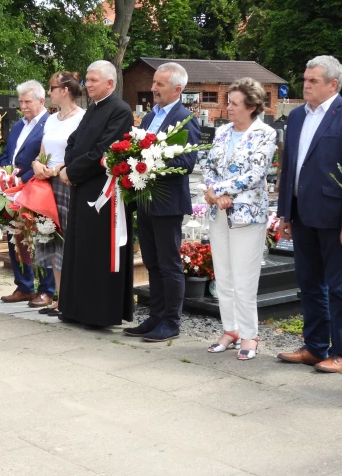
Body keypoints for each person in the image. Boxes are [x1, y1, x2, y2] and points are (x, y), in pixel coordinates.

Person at [276, 55, 342, 373]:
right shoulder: (298, 117)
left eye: (313, 80)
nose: (305, 84)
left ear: (333, 83)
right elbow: (289, 166)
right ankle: (315, 347)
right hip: (303, 215)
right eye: (304, 78)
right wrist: (285, 213)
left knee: (339, 287)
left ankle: (341, 353)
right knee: (309, 283)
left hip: (335, 218)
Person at [122, 62, 199, 342]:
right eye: (154, 82)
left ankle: (170, 321)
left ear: (177, 89)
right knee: (152, 262)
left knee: (168, 264)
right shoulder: (148, 117)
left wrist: (152, 160)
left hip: (167, 202)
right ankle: (155, 316)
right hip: (145, 199)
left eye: (159, 84)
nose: (153, 88)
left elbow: (186, 161)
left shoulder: (186, 119)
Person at [202, 78, 276, 359]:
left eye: (234, 103)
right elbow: (208, 165)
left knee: (245, 278)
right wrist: (211, 192)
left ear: (252, 106)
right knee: (223, 275)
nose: (228, 107)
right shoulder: (221, 132)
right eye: (228, 102)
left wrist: (219, 191)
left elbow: (256, 174)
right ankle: (230, 329)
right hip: (218, 211)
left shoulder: (265, 134)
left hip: (247, 214)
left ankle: (249, 335)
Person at [58, 60, 135, 327]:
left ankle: (97, 313)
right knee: (80, 249)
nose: (87, 84)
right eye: (87, 80)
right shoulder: (93, 108)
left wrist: (72, 171)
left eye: (93, 80)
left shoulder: (120, 111)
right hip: (82, 185)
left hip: (102, 192)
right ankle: (75, 307)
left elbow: (105, 150)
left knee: (97, 251)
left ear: (110, 83)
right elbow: (73, 140)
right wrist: (68, 166)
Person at [31, 71, 86, 316]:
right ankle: (58, 296)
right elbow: (42, 151)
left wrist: (59, 168)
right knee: (49, 236)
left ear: (65, 90)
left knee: (65, 236)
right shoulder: (52, 119)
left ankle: (69, 297)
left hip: (66, 182)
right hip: (46, 183)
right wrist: (36, 165)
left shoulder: (82, 118)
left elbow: (78, 154)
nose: (50, 91)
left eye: (52, 88)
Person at [0, 80, 56, 307]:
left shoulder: (49, 125)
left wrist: (21, 178)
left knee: (39, 237)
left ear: (41, 101)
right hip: (12, 188)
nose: (23, 106)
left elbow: (46, 159)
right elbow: (7, 152)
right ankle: (24, 286)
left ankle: (46, 289)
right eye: (21, 101)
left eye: (28, 101)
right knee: (15, 236)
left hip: (35, 188)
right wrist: (3, 172)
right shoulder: (18, 125)